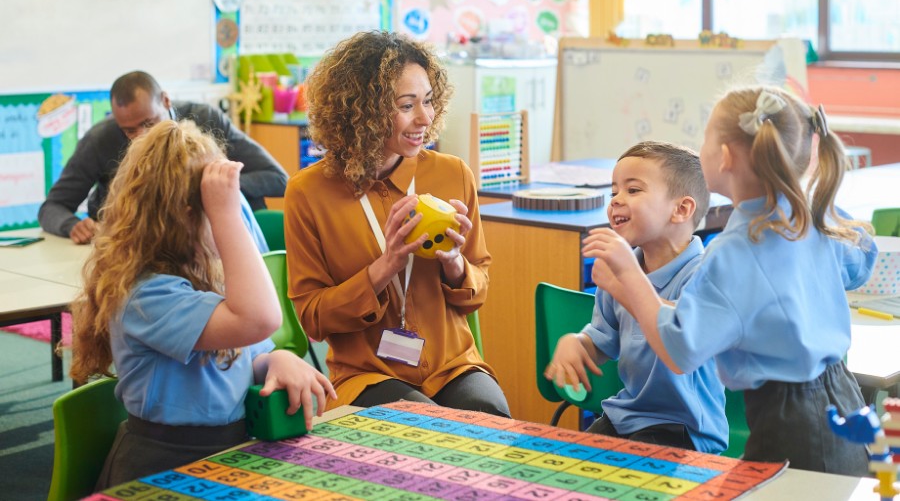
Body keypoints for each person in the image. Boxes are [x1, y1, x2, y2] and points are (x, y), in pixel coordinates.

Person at [588, 86, 877, 475]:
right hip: (844, 399)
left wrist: (628, 274)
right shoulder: (807, 216)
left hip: (790, 423)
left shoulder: (737, 248)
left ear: (723, 157)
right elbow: (862, 261)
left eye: (705, 137)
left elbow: (679, 348)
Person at [69, 120, 335, 488]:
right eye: (219, 209)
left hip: (226, 453)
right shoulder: (145, 296)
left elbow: (249, 351)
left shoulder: (206, 281)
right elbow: (260, 319)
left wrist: (276, 358)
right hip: (162, 466)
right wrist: (225, 213)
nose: (234, 218)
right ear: (183, 216)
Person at [284, 30, 510, 415]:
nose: (425, 117)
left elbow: (479, 289)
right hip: (367, 374)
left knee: (492, 425)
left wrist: (455, 263)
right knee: (425, 427)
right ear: (363, 111)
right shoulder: (308, 193)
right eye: (407, 105)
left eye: (428, 101)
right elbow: (313, 317)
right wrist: (383, 268)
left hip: (452, 366)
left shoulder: (453, 174)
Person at [545, 141, 728, 453]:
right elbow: (603, 340)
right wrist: (577, 343)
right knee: (568, 465)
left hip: (685, 428)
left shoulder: (705, 273)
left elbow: (682, 333)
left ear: (681, 209)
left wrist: (625, 284)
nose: (616, 200)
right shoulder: (621, 266)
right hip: (627, 415)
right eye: (614, 190)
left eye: (633, 190)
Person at [38, 70, 288, 244]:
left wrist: (213, 187)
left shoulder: (205, 120)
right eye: (129, 130)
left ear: (166, 101)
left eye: (149, 123)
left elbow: (278, 179)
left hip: (210, 243)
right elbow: (53, 207)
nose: (141, 137)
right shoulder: (100, 140)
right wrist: (72, 225)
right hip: (135, 248)